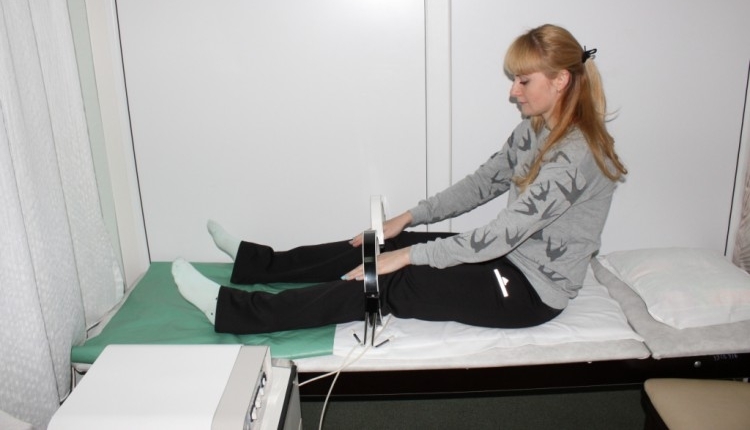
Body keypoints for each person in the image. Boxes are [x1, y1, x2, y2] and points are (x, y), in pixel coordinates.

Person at [172, 23, 627, 335]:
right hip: (507, 257)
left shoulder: (576, 156)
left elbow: (501, 234)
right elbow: (481, 184)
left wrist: (408, 257)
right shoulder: (535, 130)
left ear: (561, 80)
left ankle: (233, 311)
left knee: (386, 282)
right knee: (379, 245)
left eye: (523, 81)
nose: (513, 91)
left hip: (530, 290)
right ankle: (254, 264)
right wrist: (407, 220)